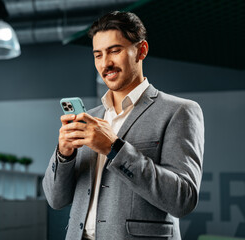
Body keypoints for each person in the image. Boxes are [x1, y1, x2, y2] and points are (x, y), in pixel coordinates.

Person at [42, 11, 204, 240]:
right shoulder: (89, 118)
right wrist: (64, 155)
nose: (105, 63)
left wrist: (114, 147)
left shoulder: (180, 111)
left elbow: (182, 200)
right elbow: (56, 200)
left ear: (142, 50)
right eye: (98, 55)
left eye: (114, 51)